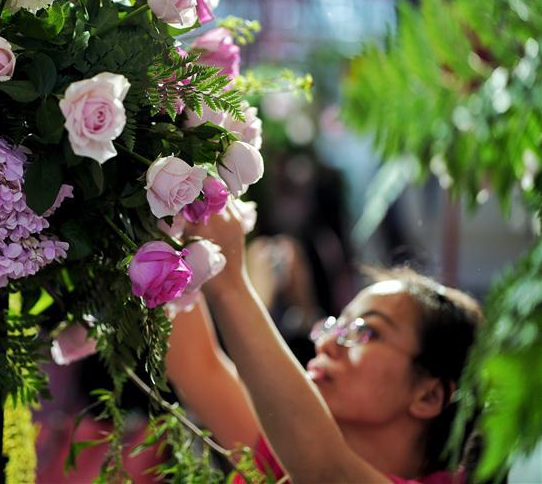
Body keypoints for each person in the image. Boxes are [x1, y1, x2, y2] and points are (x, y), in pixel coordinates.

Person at [166, 201, 483, 483]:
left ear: (428, 396)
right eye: (335, 325)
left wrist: (230, 283)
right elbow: (196, 365)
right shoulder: (287, 454)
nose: (326, 344)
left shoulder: (315, 463)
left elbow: (327, 473)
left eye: (364, 331)